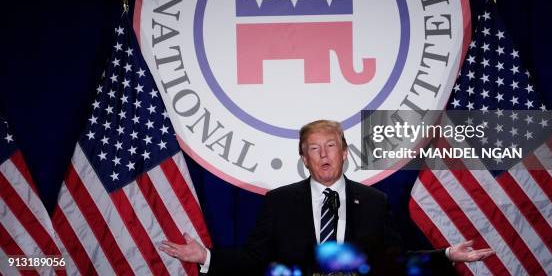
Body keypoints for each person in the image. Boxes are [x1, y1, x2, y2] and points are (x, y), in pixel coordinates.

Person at [160, 120, 494, 274]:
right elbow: (253, 257)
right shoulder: (279, 202)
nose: (323, 154)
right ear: (304, 158)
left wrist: (448, 254)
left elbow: (394, 259)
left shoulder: (374, 201)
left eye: (330, 146)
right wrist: (204, 256)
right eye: (314, 149)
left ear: (344, 152)